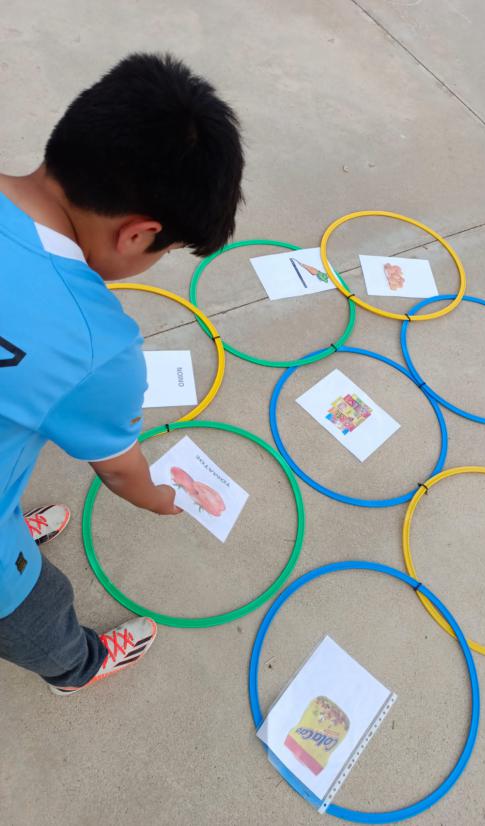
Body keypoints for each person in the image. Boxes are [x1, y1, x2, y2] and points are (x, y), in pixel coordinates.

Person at [0, 53, 244, 695]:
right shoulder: (95, 343)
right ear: (139, 235)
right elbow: (118, 467)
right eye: (166, 251)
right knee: (34, 609)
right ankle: (75, 668)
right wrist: (161, 499)